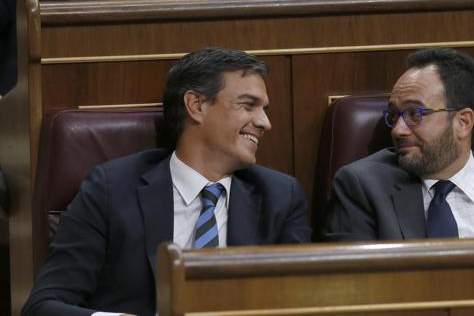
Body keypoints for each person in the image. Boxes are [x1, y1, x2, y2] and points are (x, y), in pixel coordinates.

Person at [22, 47, 311, 316]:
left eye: (264, 110)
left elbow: (302, 305)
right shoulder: (111, 189)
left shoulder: (280, 197)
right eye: (248, 106)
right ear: (196, 105)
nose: (264, 122)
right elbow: (44, 306)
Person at [323, 48, 474, 242]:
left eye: (414, 114)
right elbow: (357, 290)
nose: (398, 130)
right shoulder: (362, 186)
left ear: (463, 122)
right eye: (394, 116)